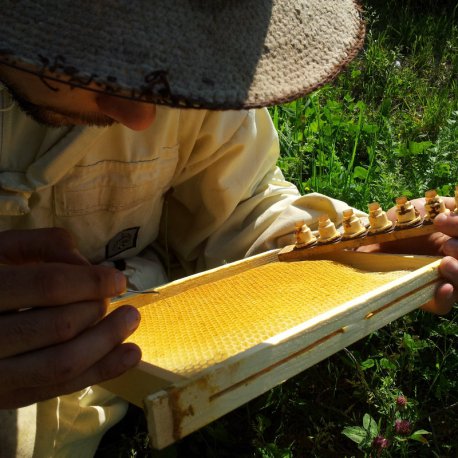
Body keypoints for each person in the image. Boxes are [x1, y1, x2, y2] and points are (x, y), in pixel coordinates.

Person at [0, 1, 456, 456]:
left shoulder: (199, 61)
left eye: (156, 66)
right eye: (82, 61)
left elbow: (239, 205)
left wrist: (353, 250)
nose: (139, 116)